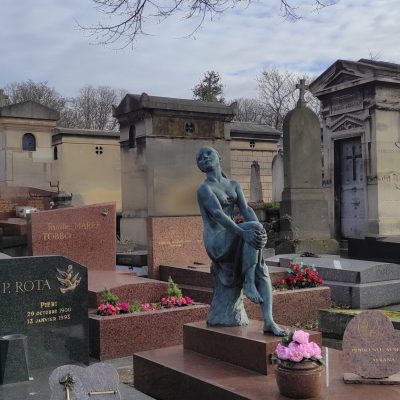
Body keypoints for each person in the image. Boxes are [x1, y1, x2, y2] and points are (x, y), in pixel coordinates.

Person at [196, 146, 285, 336]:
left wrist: (260, 229)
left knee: (262, 265)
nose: (204, 157)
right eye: (200, 158)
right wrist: (244, 231)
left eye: (208, 154)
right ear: (200, 167)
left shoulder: (233, 185)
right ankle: (249, 282)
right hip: (216, 241)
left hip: (234, 233)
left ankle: (269, 321)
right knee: (251, 231)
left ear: (219, 157)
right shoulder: (204, 189)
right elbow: (218, 215)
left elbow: (245, 210)